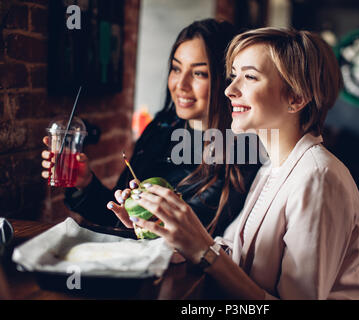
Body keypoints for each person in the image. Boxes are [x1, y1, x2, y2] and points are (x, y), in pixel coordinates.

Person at [112, 27, 359, 299]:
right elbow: (231, 254)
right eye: (234, 76)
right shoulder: (274, 167)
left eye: (250, 77)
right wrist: (162, 228)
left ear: (296, 98)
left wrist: (203, 249)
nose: (230, 90)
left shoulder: (317, 178)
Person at [41, 19, 261, 237]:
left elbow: (189, 240)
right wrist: (85, 184)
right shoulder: (161, 128)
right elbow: (117, 218)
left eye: (199, 73)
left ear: (226, 79)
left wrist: (141, 223)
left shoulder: (239, 153)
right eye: (176, 69)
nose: (181, 85)